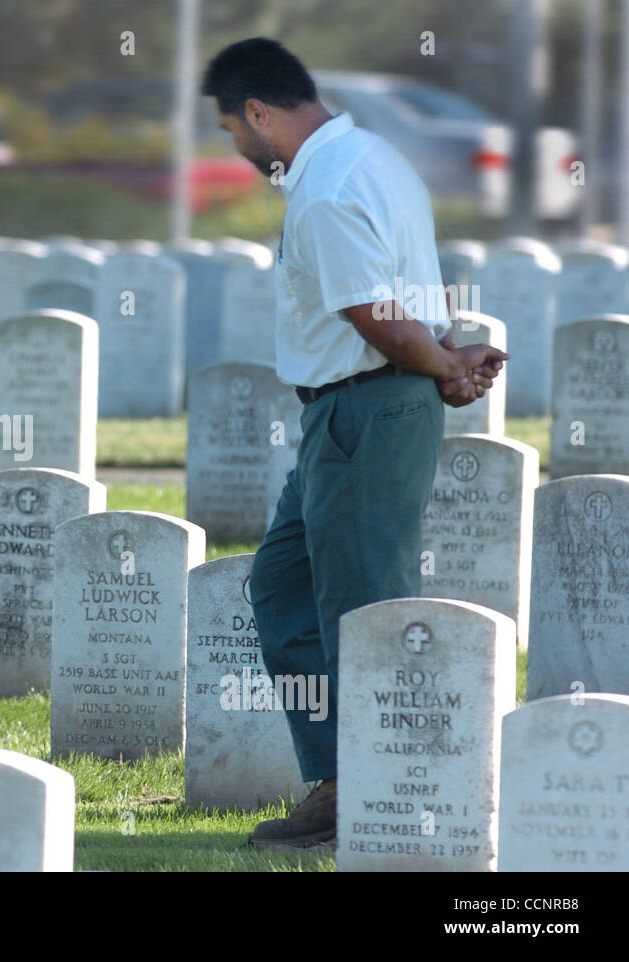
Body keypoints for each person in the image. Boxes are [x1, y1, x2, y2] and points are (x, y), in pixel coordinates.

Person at [199, 38, 508, 850]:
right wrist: (448, 357)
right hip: (355, 410)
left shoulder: (327, 190)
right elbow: (422, 284)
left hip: (364, 409)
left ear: (260, 113)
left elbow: (372, 313)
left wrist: (441, 364)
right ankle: (342, 780)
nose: (236, 147)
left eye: (233, 129)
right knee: (283, 589)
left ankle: (399, 798)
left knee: (367, 614)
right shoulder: (379, 159)